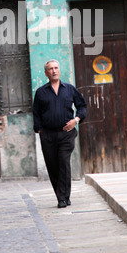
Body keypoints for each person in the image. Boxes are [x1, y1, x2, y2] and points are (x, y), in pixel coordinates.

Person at [33, 59, 86, 208]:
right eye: (50, 69)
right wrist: (38, 129)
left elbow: (82, 106)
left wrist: (76, 119)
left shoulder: (69, 89)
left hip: (66, 133)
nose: (54, 71)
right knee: (52, 166)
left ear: (60, 70)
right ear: (46, 73)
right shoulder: (41, 92)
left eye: (56, 68)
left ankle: (62, 198)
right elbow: (36, 112)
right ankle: (62, 196)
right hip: (48, 135)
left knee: (63, 162)